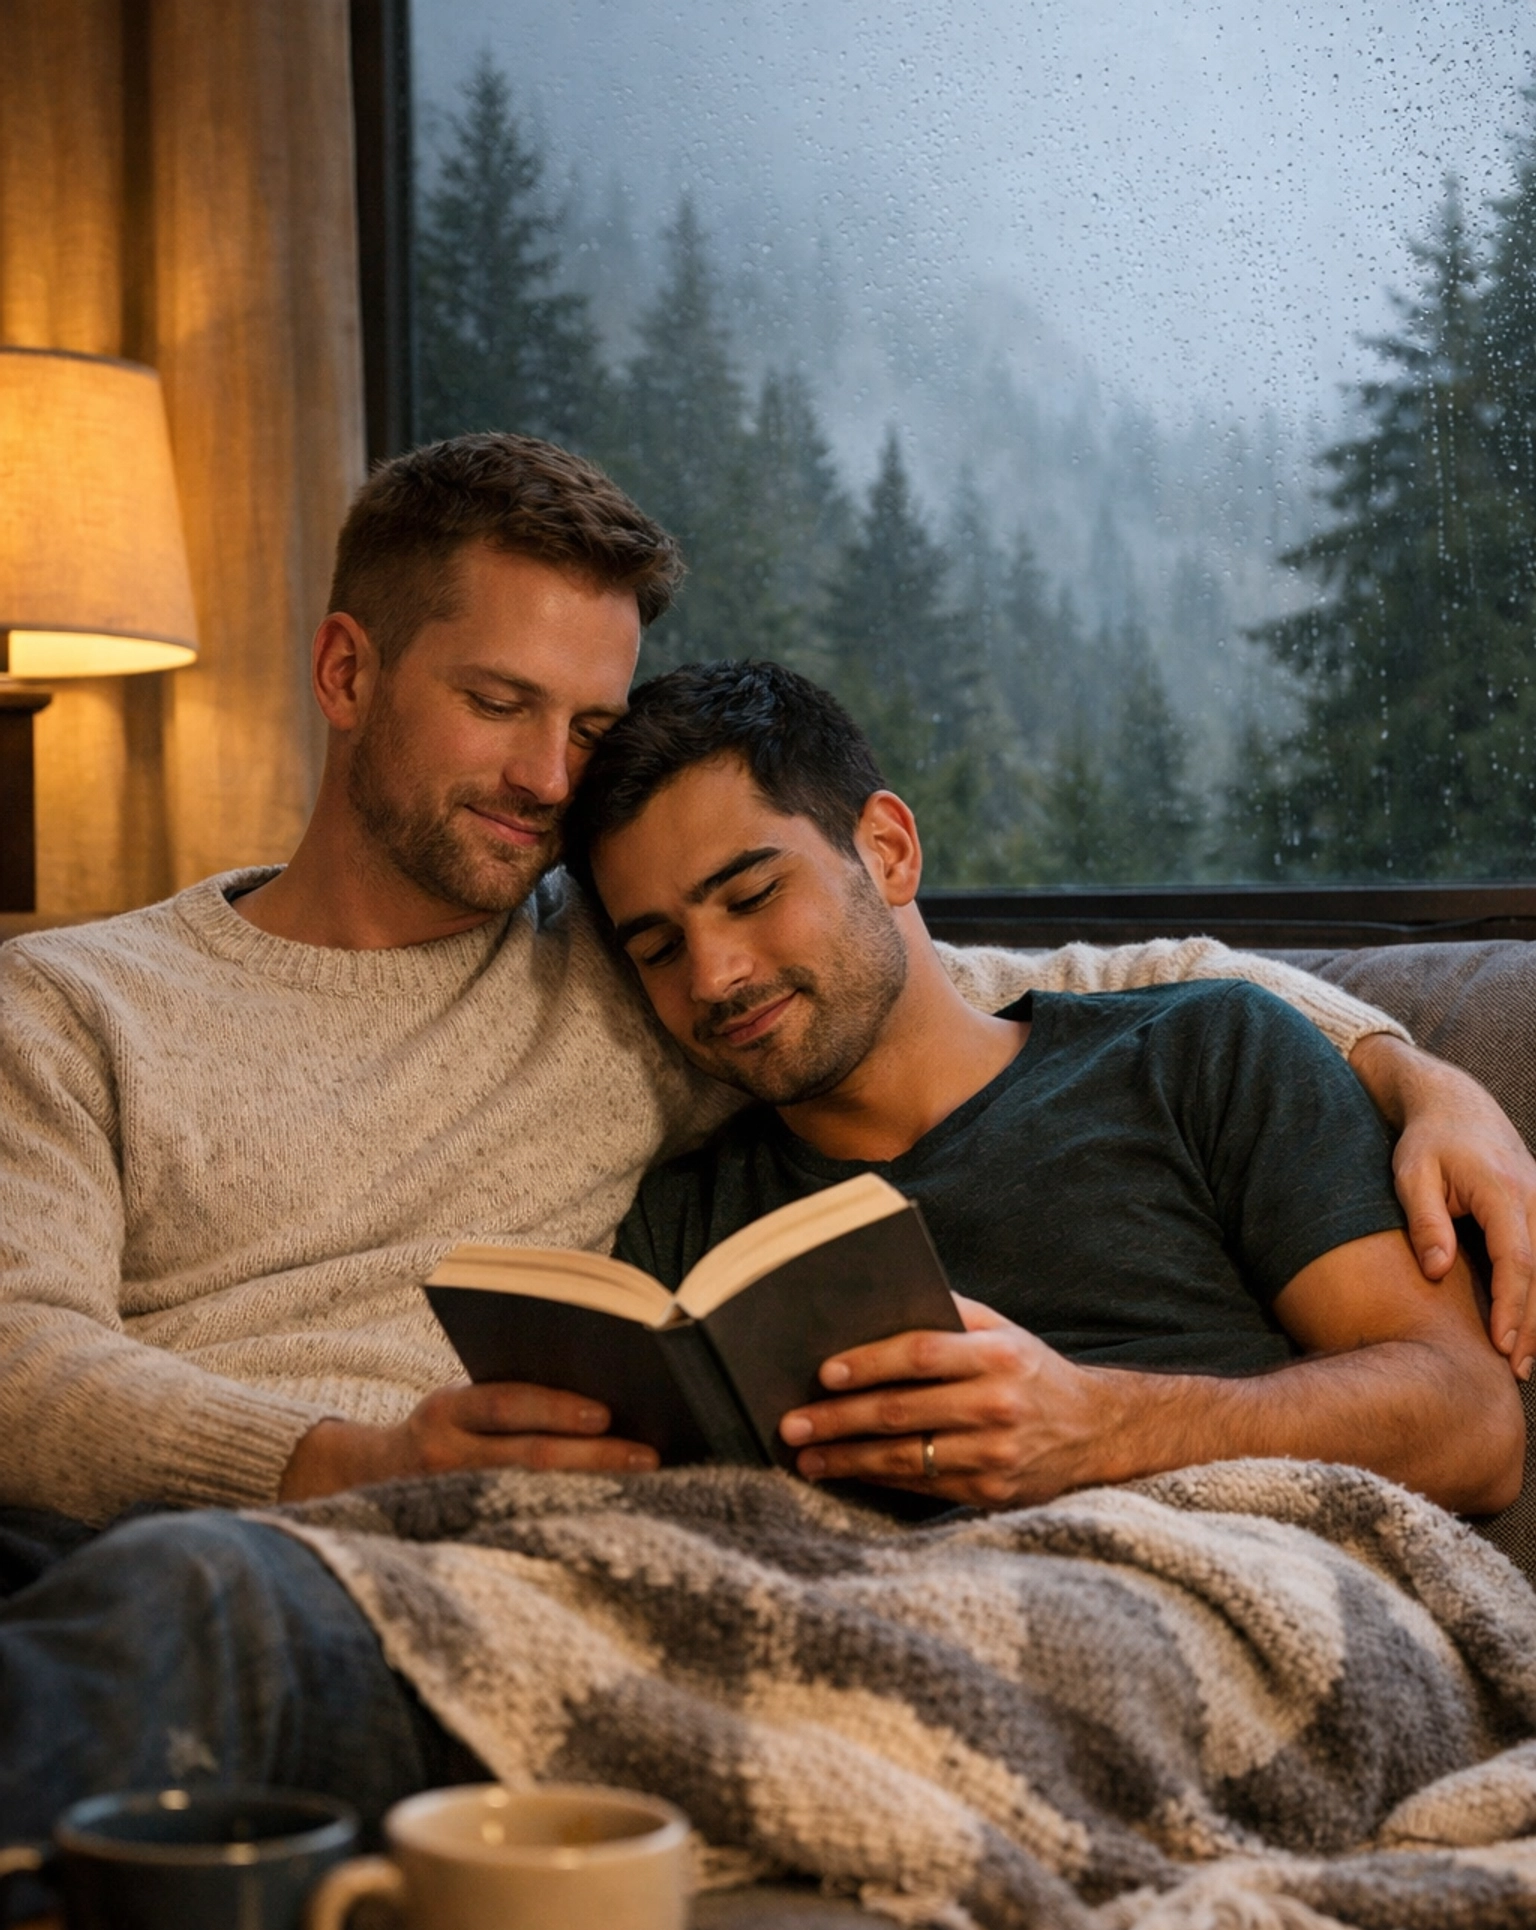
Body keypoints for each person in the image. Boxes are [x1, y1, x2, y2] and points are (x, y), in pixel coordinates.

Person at [0, 436, 1529, 1840]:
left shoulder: (613, 973)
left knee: (166, 1609)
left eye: (588, 727)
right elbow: (19, 1362)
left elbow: (946, 988)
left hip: (408, 1579)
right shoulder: (73, 1005)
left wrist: (1409, 1068)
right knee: (103, 1587)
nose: (547, 778)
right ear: (346, 669)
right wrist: (341, 1461)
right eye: (498, 703)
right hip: (178, 1526)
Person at [571, 660, 1525, 1516]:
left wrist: (1103, 1427)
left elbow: (1473, 1424)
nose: (713, 977)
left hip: (1205, 1572)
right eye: (657, 949)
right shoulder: (681, 1225)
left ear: (889, 851)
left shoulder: (1200, 1053)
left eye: (752, 897)